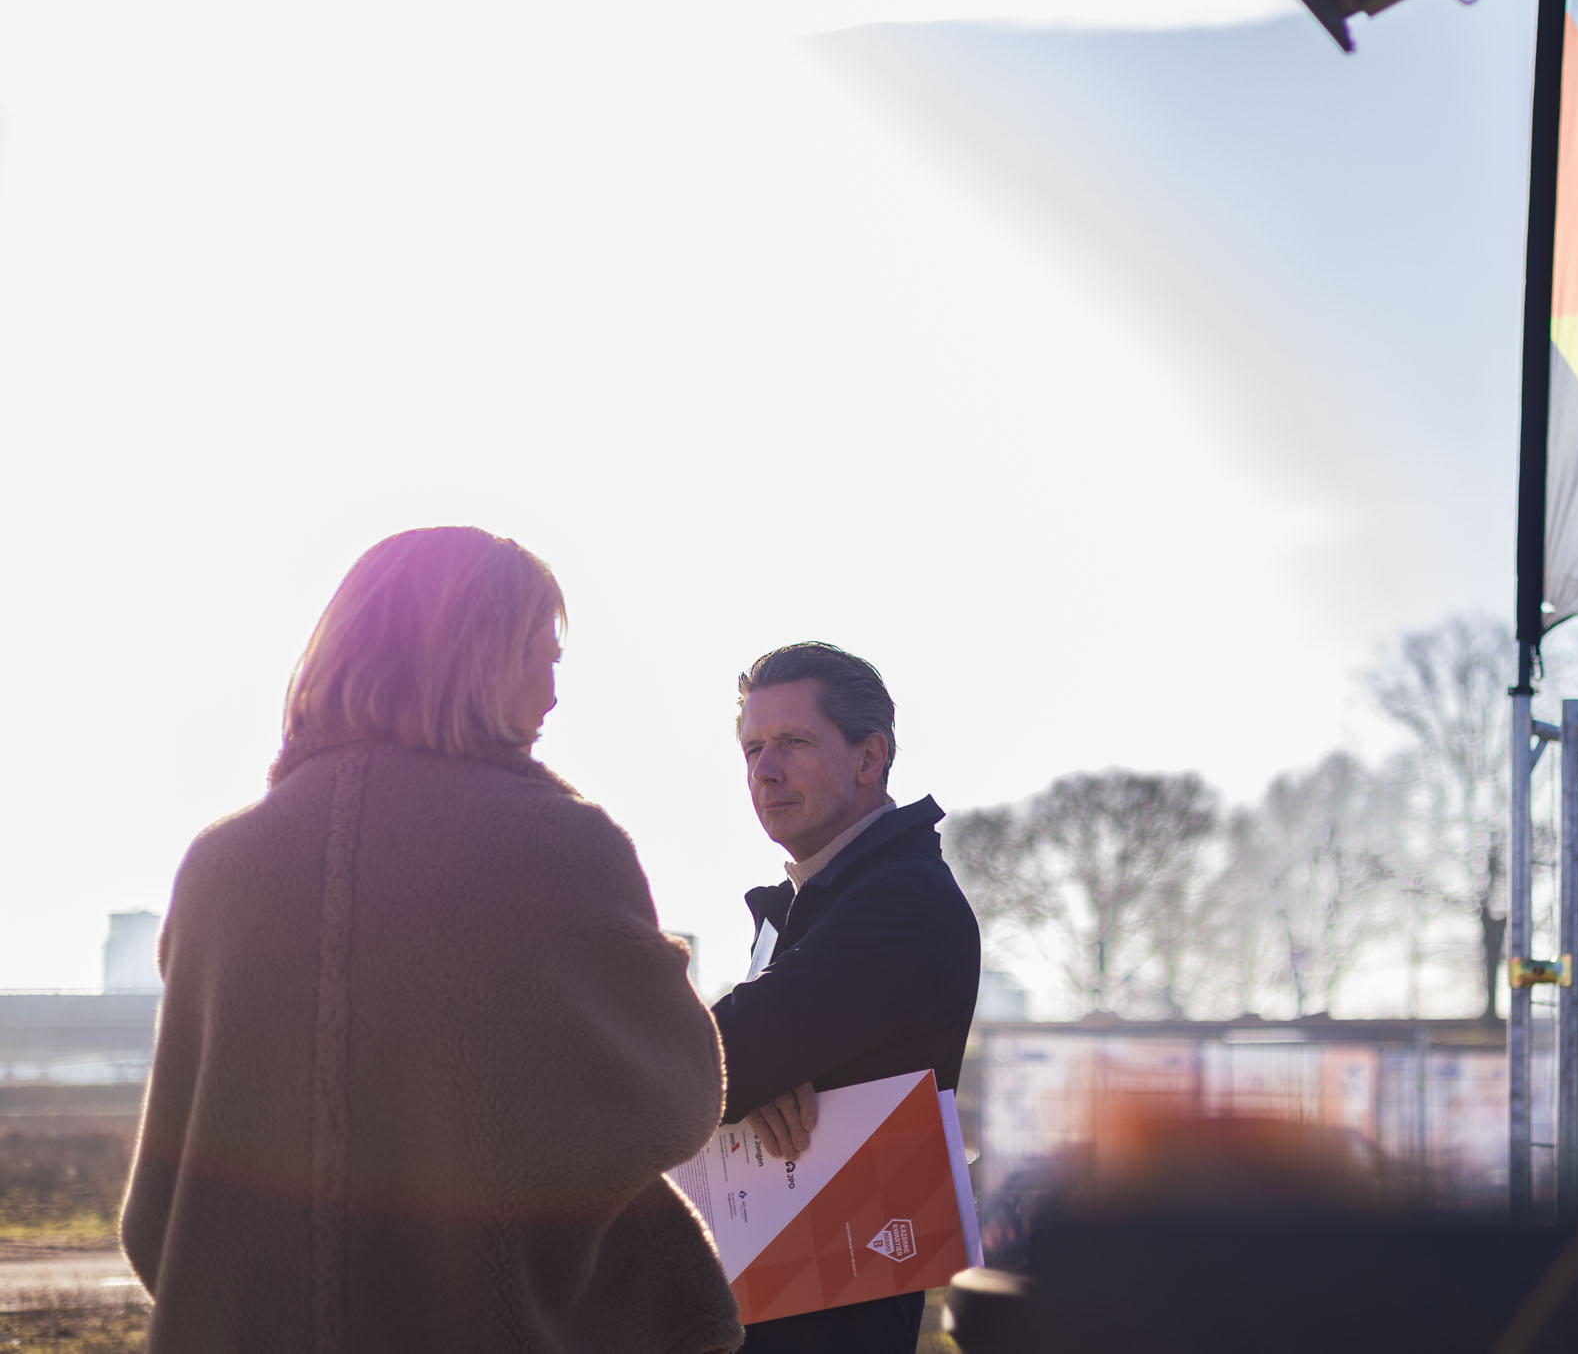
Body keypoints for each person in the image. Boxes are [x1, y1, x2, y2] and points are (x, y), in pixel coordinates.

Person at [121, 527, 742, 1354]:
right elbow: (677, 1097)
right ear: (472, 658)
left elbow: (161, 1212)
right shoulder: (560, 848)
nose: (553, 693)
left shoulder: (219, 868)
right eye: (538, 657)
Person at [712, 642, 981, 1354]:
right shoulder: (814, 903)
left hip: (832, 1321)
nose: (764, 770)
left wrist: (746, 1069)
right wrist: (749, 1082)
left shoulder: (905, 901)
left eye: (794, 742)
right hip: (774, 1302)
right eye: (752, 749)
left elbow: (732, 1051)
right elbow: (740, 1057)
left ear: (870, 757)